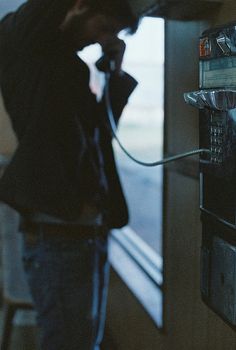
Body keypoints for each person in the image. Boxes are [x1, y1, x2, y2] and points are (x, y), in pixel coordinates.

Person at [0, 0, 140, 349]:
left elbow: (101, 134)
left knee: (83, 341)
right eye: (104, 27)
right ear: (79, 6)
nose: (103, 40)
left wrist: (115, 72)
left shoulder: (71, 70)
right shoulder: (28, 46)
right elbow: (33, 20)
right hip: (59, 230)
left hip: (85, 232)